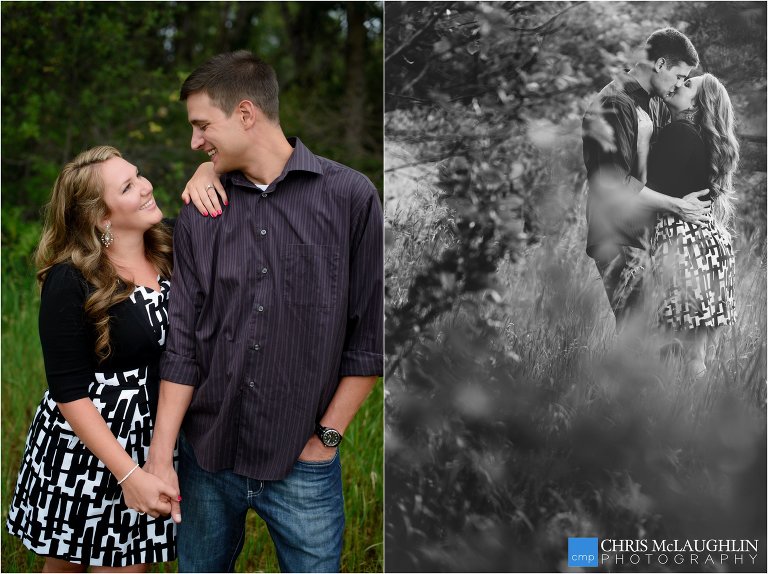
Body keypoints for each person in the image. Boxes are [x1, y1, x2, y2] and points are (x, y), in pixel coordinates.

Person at [144, 50, 383, 573]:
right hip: (207, 456)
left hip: (303, 462)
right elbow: (182, 341)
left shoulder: (350, 197)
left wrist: (327, 440)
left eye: (203, 125)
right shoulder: (201, 212)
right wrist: (163, 456)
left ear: (246, 114)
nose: (195, 142)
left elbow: (371, 337)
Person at [5, 146, 180, 572]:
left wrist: (208, 172)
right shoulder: (71, 278)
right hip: (86, 448)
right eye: (128, 186)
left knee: (127, 565)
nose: (145, 187)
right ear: (102, 217)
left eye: (138, 175)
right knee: (66, 565)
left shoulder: (172, 246)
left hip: (152, 437)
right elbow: (68, 391)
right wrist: (128, 475)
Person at [582, 27, 711, 328]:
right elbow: (614, 182)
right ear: (662, 64)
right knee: (637, 334)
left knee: (651, 334)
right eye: (680, 76)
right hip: (617, 232)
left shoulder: (652, 102)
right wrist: (678, 206)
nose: (679, 84)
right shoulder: (615, 103)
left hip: (640, 233)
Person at [647, 73, 738, 377]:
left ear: (699, 104)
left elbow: (645, 188)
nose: (677, 84)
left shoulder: (680, 132)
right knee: (698, 356)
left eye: (688, 85)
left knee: (680, 353)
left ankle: (678, 418)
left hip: (685, 245)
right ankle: (696, 414)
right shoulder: (702, 139)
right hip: (711, 246)